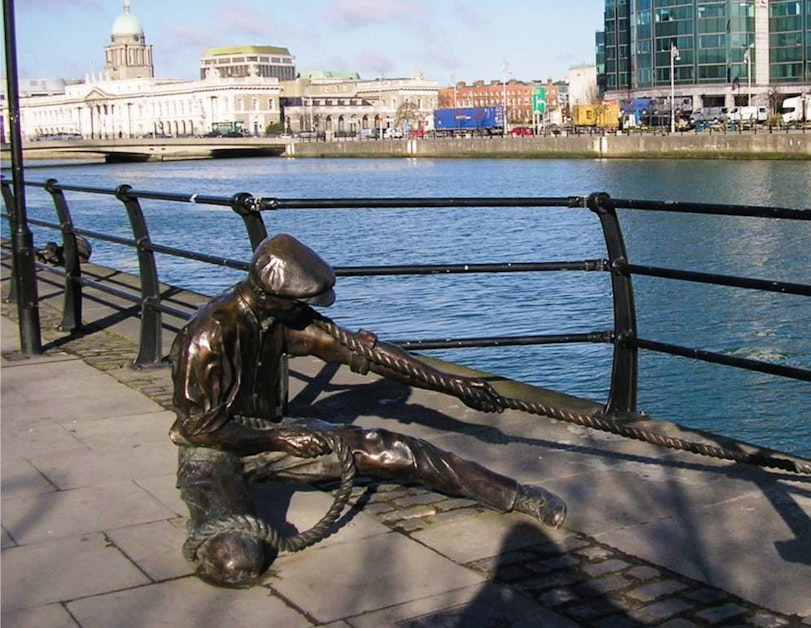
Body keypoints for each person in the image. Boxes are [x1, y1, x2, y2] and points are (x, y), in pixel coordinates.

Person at [170, 233, 566, 587]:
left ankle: (514, 494)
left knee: (397, 450)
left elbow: (367, 356)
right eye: (303, 304)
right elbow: (198, 430)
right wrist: (280, 437)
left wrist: (455, 385)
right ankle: (212, 507)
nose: (312, 312)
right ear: (273, 296)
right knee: (237, 562)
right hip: (215, 452)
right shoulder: (207, 335)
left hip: (277, 437)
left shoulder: (281, 319)